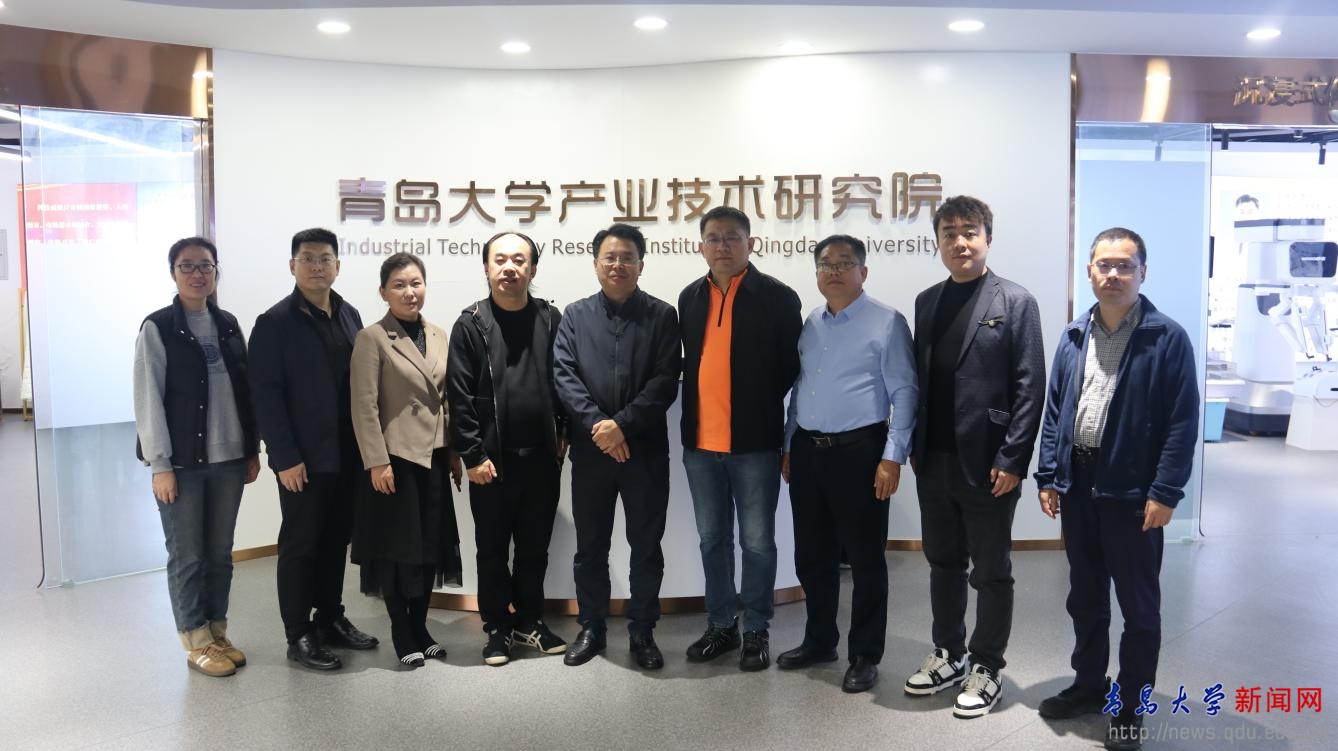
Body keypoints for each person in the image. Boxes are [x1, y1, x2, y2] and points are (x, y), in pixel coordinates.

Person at [1034, 227, 1199, 751]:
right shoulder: (1073, 334)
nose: (1113, 274)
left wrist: (1165, 491)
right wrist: (1048, 475)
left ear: (1142, 272)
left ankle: (1131, 707)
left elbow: (1182, 421)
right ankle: (1090, 685)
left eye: (1124, 265)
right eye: (1104, 264)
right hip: (1079, 485)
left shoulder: (1165, 337)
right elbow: (1055, 409)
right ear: (1090, 271)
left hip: (1134, 494)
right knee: (1085, 598)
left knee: (1139, 608)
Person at [904, 196, 1046, 717]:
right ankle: (949, 652)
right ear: (937, 241)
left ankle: (987, 665)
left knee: (990, 570)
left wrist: (1013, 460)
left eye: (970, 231)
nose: (960, 242)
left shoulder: (1016, 300)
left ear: (988, 237)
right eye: (949, 233)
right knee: (943, 562)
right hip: (934, 459)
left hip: (989, 463)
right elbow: (922, 380)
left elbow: (1030, 386)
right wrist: (915, 446)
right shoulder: (927, 300)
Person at [778, 234, 917, 693]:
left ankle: (864, 654)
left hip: (861, 452)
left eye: (844, 263)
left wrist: (892, 457)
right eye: (825, 264)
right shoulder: (811, 323)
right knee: (812, 555)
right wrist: (789, 443)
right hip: (807, 452)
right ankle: (820, 640)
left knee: (865, 559)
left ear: (863, 271)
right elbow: (801, 389)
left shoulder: (887, 321)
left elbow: (904, 393)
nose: (833, 271)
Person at [678, 206, 802, 671]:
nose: (723, 245)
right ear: (701, 247)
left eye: (732, 237)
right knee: (712, 541)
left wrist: (756, 405)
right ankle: (721, 625)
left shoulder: (778, 297)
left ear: (752, 243)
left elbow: (791, 368)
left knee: (757, 543)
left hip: (754, 445)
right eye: (713, 238)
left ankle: (756, 630)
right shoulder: (689, 297)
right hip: (700, 446)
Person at [249, 227, 378, 672]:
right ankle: (298, 633)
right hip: (302, 460)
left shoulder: (349, 314)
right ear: (293, 266)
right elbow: (265, 396)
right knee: (300, 545)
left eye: (325, 259)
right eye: (307, 258)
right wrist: (284, 457)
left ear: (337, 266)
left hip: (347, 455)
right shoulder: (274, 323)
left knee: (336, 540)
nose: (317, 266)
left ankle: (329, 617)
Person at [553, 223, 682, 670]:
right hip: (592, 453)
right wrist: (601, 429)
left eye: (628, 257)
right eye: (610, 257)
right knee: (591, 546)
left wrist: (622, 427)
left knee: (646, 545)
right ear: (595, 264)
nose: (618, 265)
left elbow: (665, 380)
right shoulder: (575, 315)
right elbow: (564, 375)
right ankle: (591, 626)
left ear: (641, 265)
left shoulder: (663, 316)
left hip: (644, 452)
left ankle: (643, 630)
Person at [133, 237, 261, 677]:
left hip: (229, 461)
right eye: (186, 266)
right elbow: (148, 400)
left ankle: (217, 631)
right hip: (183, 465)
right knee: (187, 555)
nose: (197, 274)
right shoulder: (158, 327)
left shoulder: (227, 324)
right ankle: (195, 639)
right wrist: (160, 465)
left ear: (215, 272)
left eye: (205, 266)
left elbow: (245, 391)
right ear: (173, 273)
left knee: (220, 553)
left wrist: (251, 448)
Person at [448, 231, 569, 667]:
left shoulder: (551, 318)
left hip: (541, 459)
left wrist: (564, 432)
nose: (509, 268)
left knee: (535, 549)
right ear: (486, 267)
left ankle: (529, 621)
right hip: (490, 463)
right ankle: (497, 626)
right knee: (492, 550)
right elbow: (459, 395)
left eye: (519, 260)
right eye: (500, 260)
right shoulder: (470, 323)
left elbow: (566, 379)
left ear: (532, 269)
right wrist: (472, 454)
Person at [349, 252, 463, 669]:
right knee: (397, 552)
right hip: (394, 461)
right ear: (383, 292)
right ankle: (401, 629)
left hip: (433, 457)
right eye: (399, 285)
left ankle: (421, 626)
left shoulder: (438, 334)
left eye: (416, 283)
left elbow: (447, 399)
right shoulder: (373, 338)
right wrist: (376, 462)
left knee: (430, 548)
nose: (409, 292)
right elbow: (363, 406)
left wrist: (453, 452)